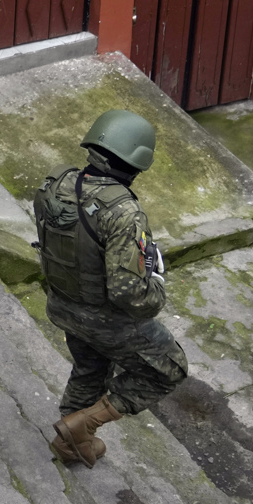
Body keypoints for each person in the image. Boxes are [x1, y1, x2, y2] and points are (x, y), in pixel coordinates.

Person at [33, 110, 187, 467]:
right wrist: (157, 284)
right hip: (104, 319)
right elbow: (128, 293)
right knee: (170, 369)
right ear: (138, 162)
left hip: (63, 305)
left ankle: (70, 443)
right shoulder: (123, 212)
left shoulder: (55, 183)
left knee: (90, 368)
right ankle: (84, 424)